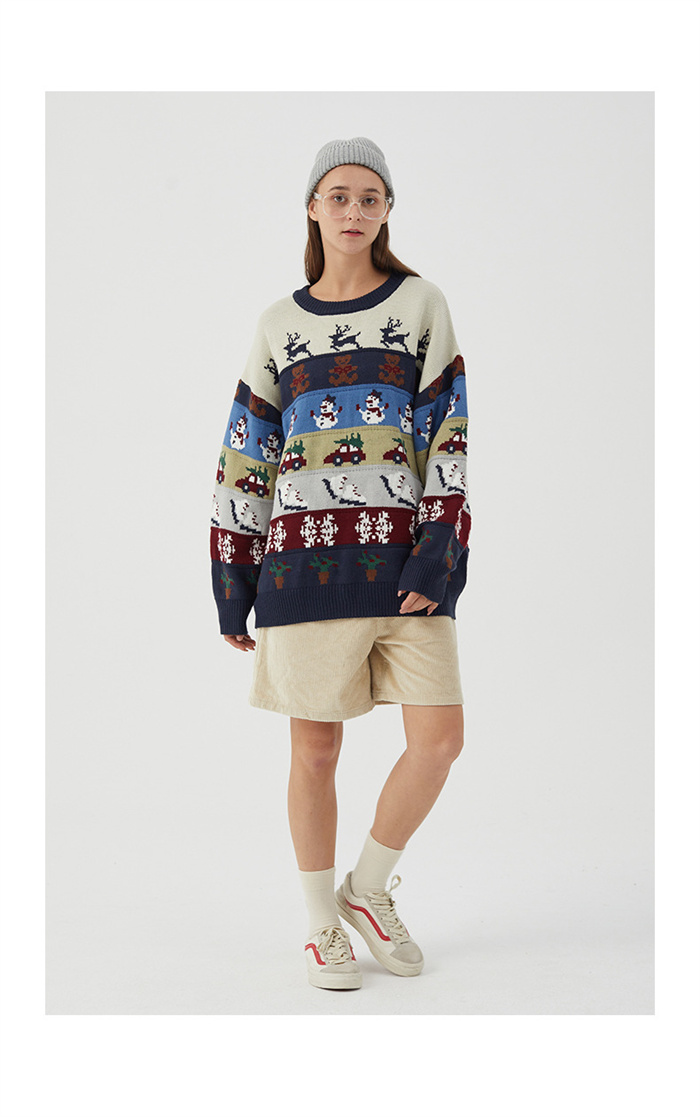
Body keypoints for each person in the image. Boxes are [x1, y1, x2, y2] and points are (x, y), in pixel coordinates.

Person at [210, 137, 472, 991]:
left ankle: (367, 886)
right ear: (312, 208)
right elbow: (247, 452)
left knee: (439, 740)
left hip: (407, 569)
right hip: (305, 570)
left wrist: (438, 557)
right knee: (316, 751)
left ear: (387, 210)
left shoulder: (422, 305)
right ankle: (321, 918)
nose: (354, 210)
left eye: (369, 197)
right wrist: (232, 577)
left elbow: (449, 437)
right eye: (338, 195)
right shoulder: (278, 327)